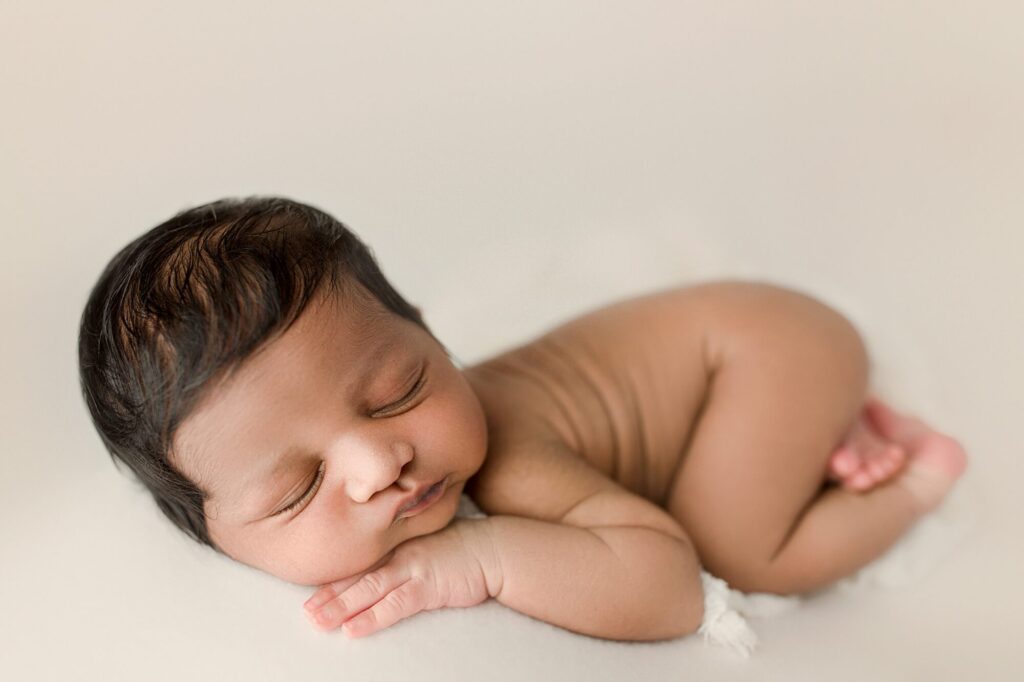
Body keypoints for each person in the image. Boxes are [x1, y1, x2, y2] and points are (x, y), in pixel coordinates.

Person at [77, 196, 967, 642]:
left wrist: (483, 557)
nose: (380, 460)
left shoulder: (507, 462)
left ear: (430, 333)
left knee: (737, 545)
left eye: (399, 390)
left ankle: (918, 476)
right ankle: (812, 436)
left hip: (768, 348)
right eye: (298, 486)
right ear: (210, 531)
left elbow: (669, 582)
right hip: (732, 352)